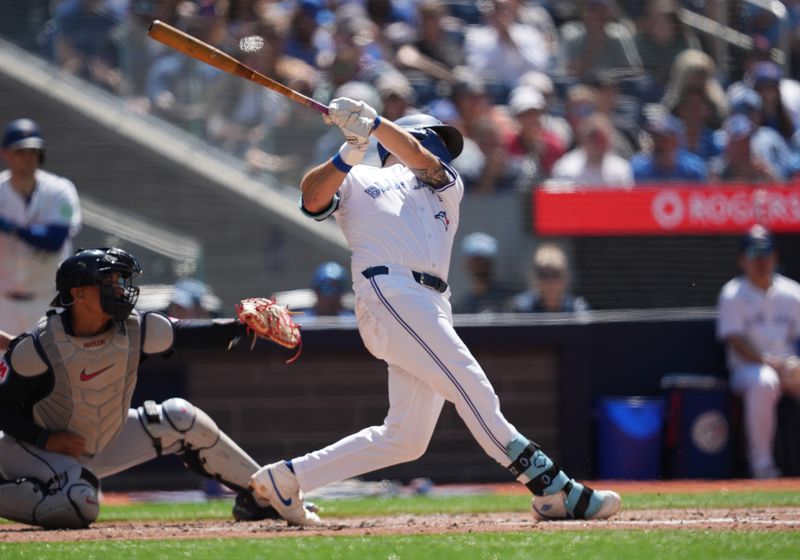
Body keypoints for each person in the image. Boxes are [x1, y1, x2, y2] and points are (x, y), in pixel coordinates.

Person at [249, 98, 621, 525]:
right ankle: (551, 487)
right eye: (438, 139)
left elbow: (417, 155)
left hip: (428, 302)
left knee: (406, 439)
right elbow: (312, 198)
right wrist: (349, 150)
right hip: (388, 289)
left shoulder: (444, 185)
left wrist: (375, 123)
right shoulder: (360, 176)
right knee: (472, 386)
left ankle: (286, 479)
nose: (445, 150)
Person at [0, 247, 304, 528]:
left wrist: (243, 326)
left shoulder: (136, 327)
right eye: (108, 281)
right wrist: (43, 437)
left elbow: (192, 335)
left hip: (97, 442)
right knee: (81, 502)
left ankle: (265, 496)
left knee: (181, 418)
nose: (119, 288)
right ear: (77, 293)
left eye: (120, 279)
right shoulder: (41, 346)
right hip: (31, 451)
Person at [716, 225, 800, 479]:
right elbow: (734, 339)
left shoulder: (792, 292)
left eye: (765, 252)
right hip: (749, 369)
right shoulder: (733, 294)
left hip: (789, 366)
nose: (761, 260)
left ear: (775, 255)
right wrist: (766, 361)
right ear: (743, 259)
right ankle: (762, 466)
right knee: (764, 382)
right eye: (754, 253)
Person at [0, 118, 82, 338]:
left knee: (51, 370)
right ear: (5, 153)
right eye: (21, 151)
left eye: (34, 151)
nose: (28, 157)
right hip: (3, 305)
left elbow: (54, 240)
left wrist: (12, 228)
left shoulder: (59, 190)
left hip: (48, 303)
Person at [507, 243, 590, 313]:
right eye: (544, 275)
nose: (550, 282)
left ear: (565, 277)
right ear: (535, 278)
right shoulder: (522, 308)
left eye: (555, 274)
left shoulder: (577, 309)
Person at [454, 232, 516, 314]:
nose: (478, 264)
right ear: (466, 263)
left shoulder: (508, 300)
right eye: (474, 259)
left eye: (482, 259)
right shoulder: (464, 305)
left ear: (491, 263)